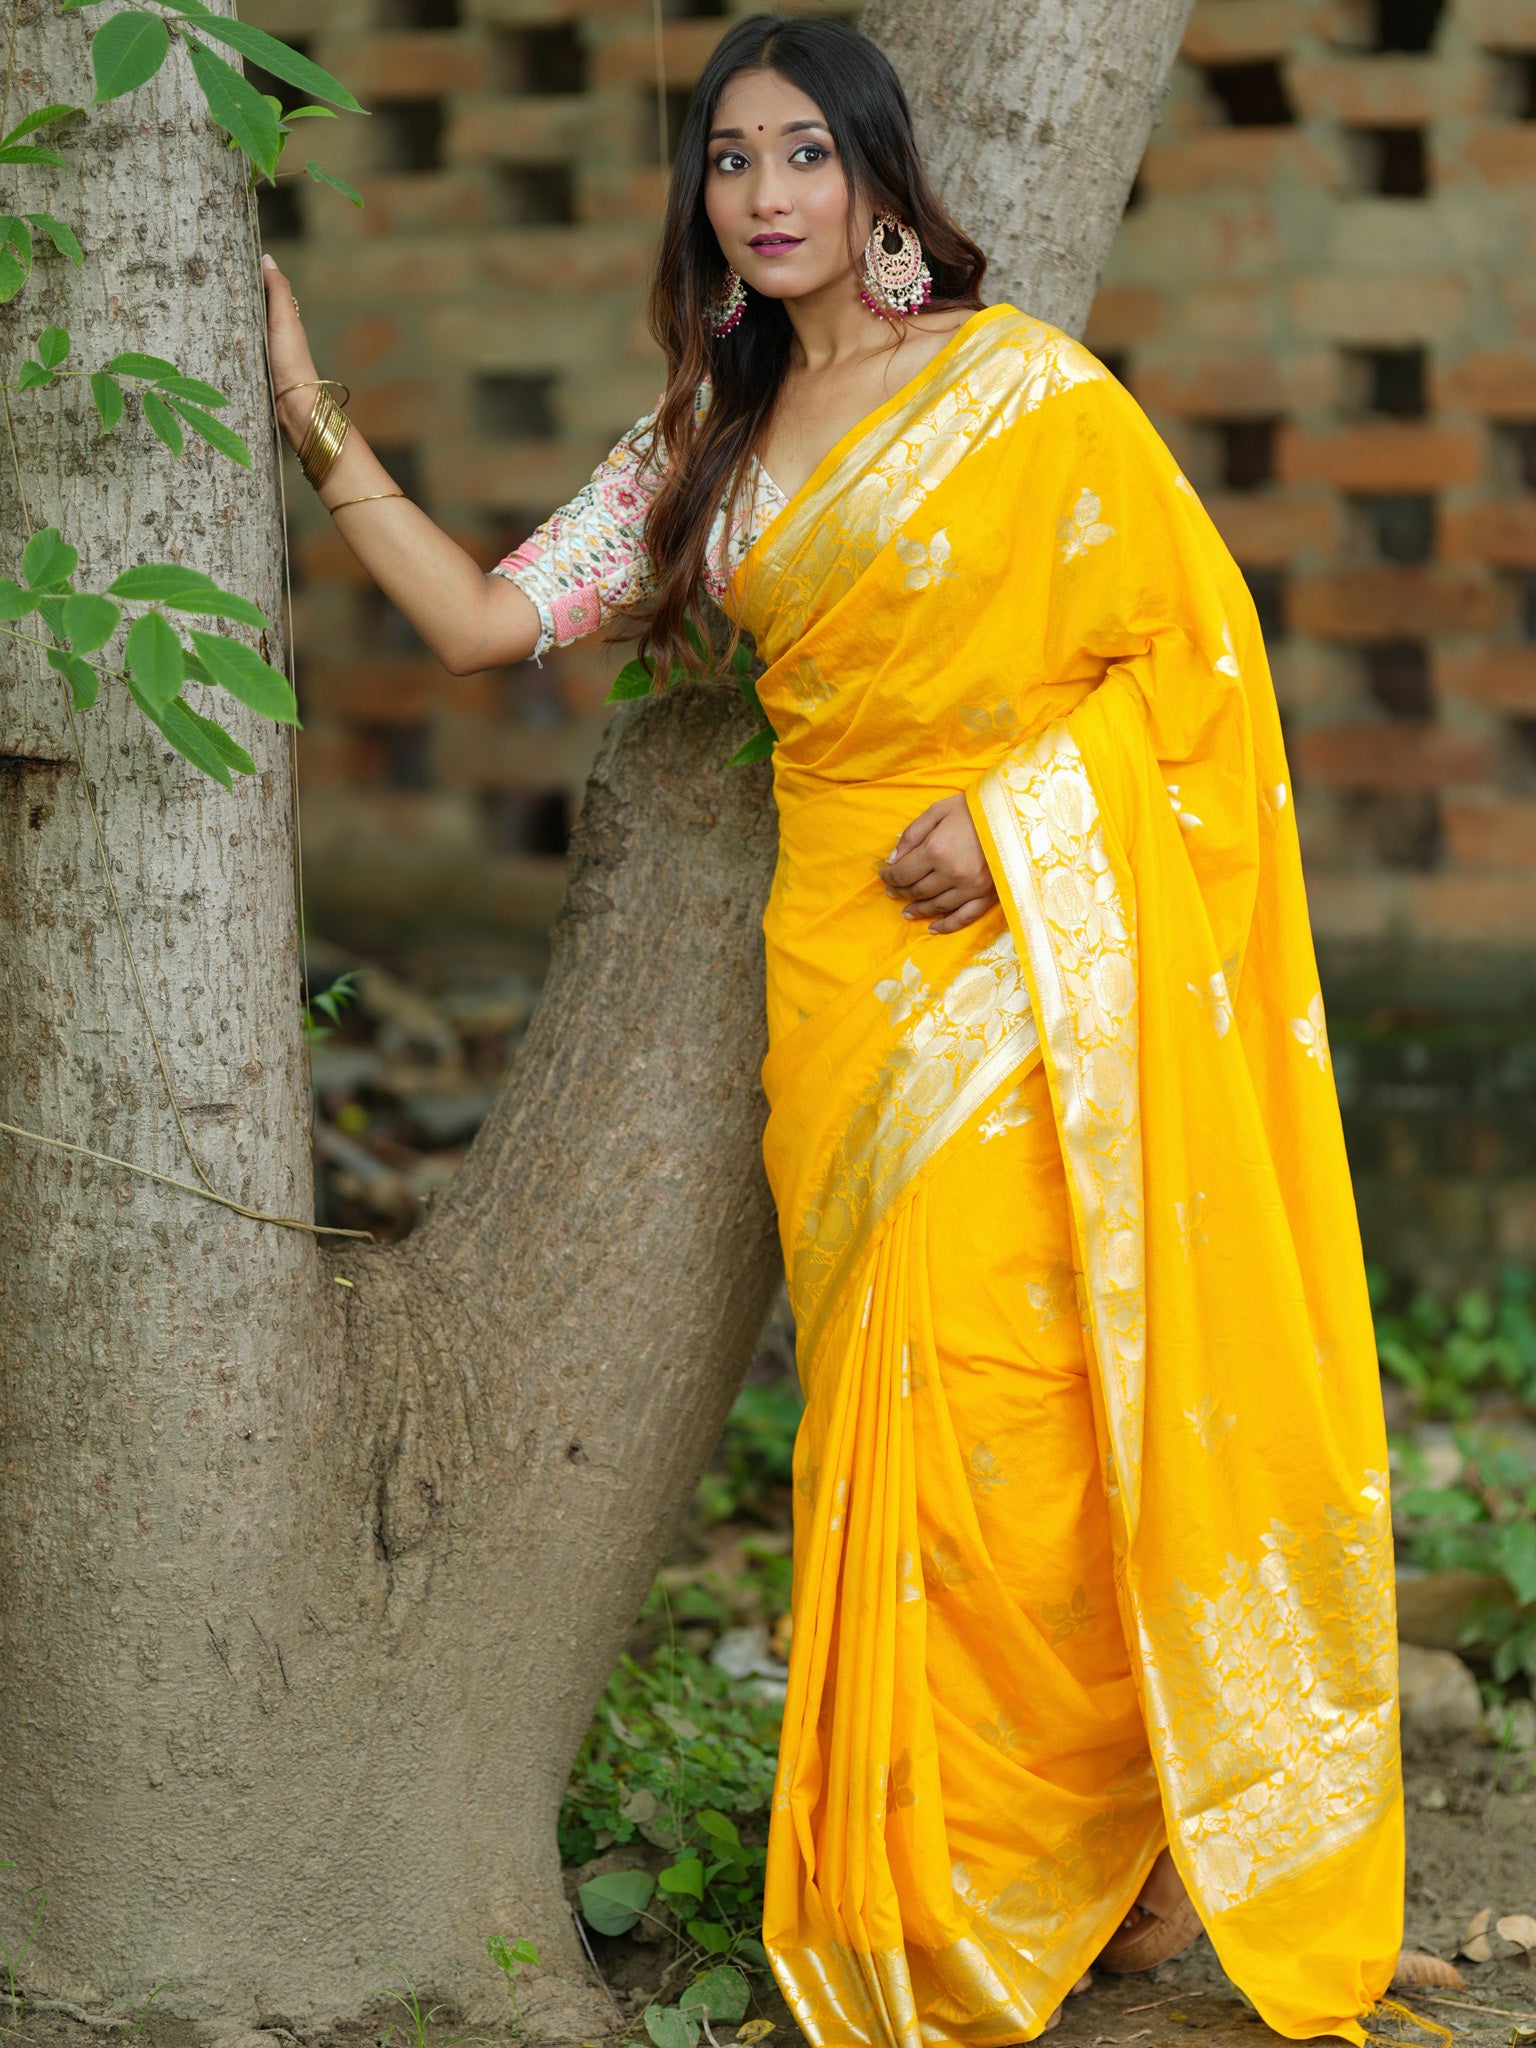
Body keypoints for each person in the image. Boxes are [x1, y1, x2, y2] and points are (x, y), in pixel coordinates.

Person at [260, 15, 1405, 2044]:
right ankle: (966, 1877)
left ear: (880, 178)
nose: (767, 195)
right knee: (916, 1414)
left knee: (1037, 1408)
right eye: (729, 161)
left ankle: (1117, 1838)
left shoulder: (1025, 390)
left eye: (804, 154)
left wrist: (1033, 811)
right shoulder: (703, 437)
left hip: (1033, 963)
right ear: (701, 199)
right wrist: (310, 417)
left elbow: (1201, 660)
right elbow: (481, 622)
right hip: (846, 980)